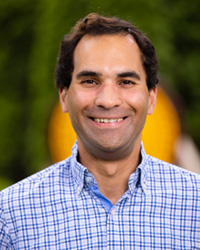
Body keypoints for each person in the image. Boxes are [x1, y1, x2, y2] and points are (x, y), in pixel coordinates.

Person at [0, 13, 200, 249]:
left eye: (126, 81)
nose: (107, 100)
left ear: (152, 98)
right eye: (90, 81)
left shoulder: (196, 205)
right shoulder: (10, 215)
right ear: (64, 96)